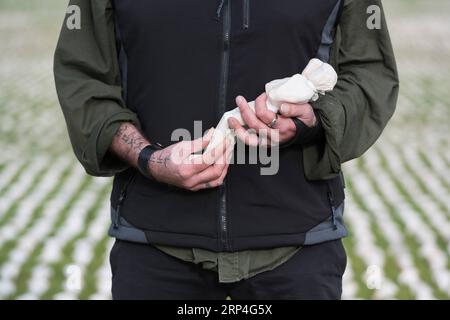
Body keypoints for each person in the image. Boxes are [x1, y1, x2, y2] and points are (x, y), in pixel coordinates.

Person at [54, 0, 398, 300]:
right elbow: (84, 80)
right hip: (154, 245)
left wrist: (315, 119)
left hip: (298, 247)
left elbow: (370, 74)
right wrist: (149, 158)